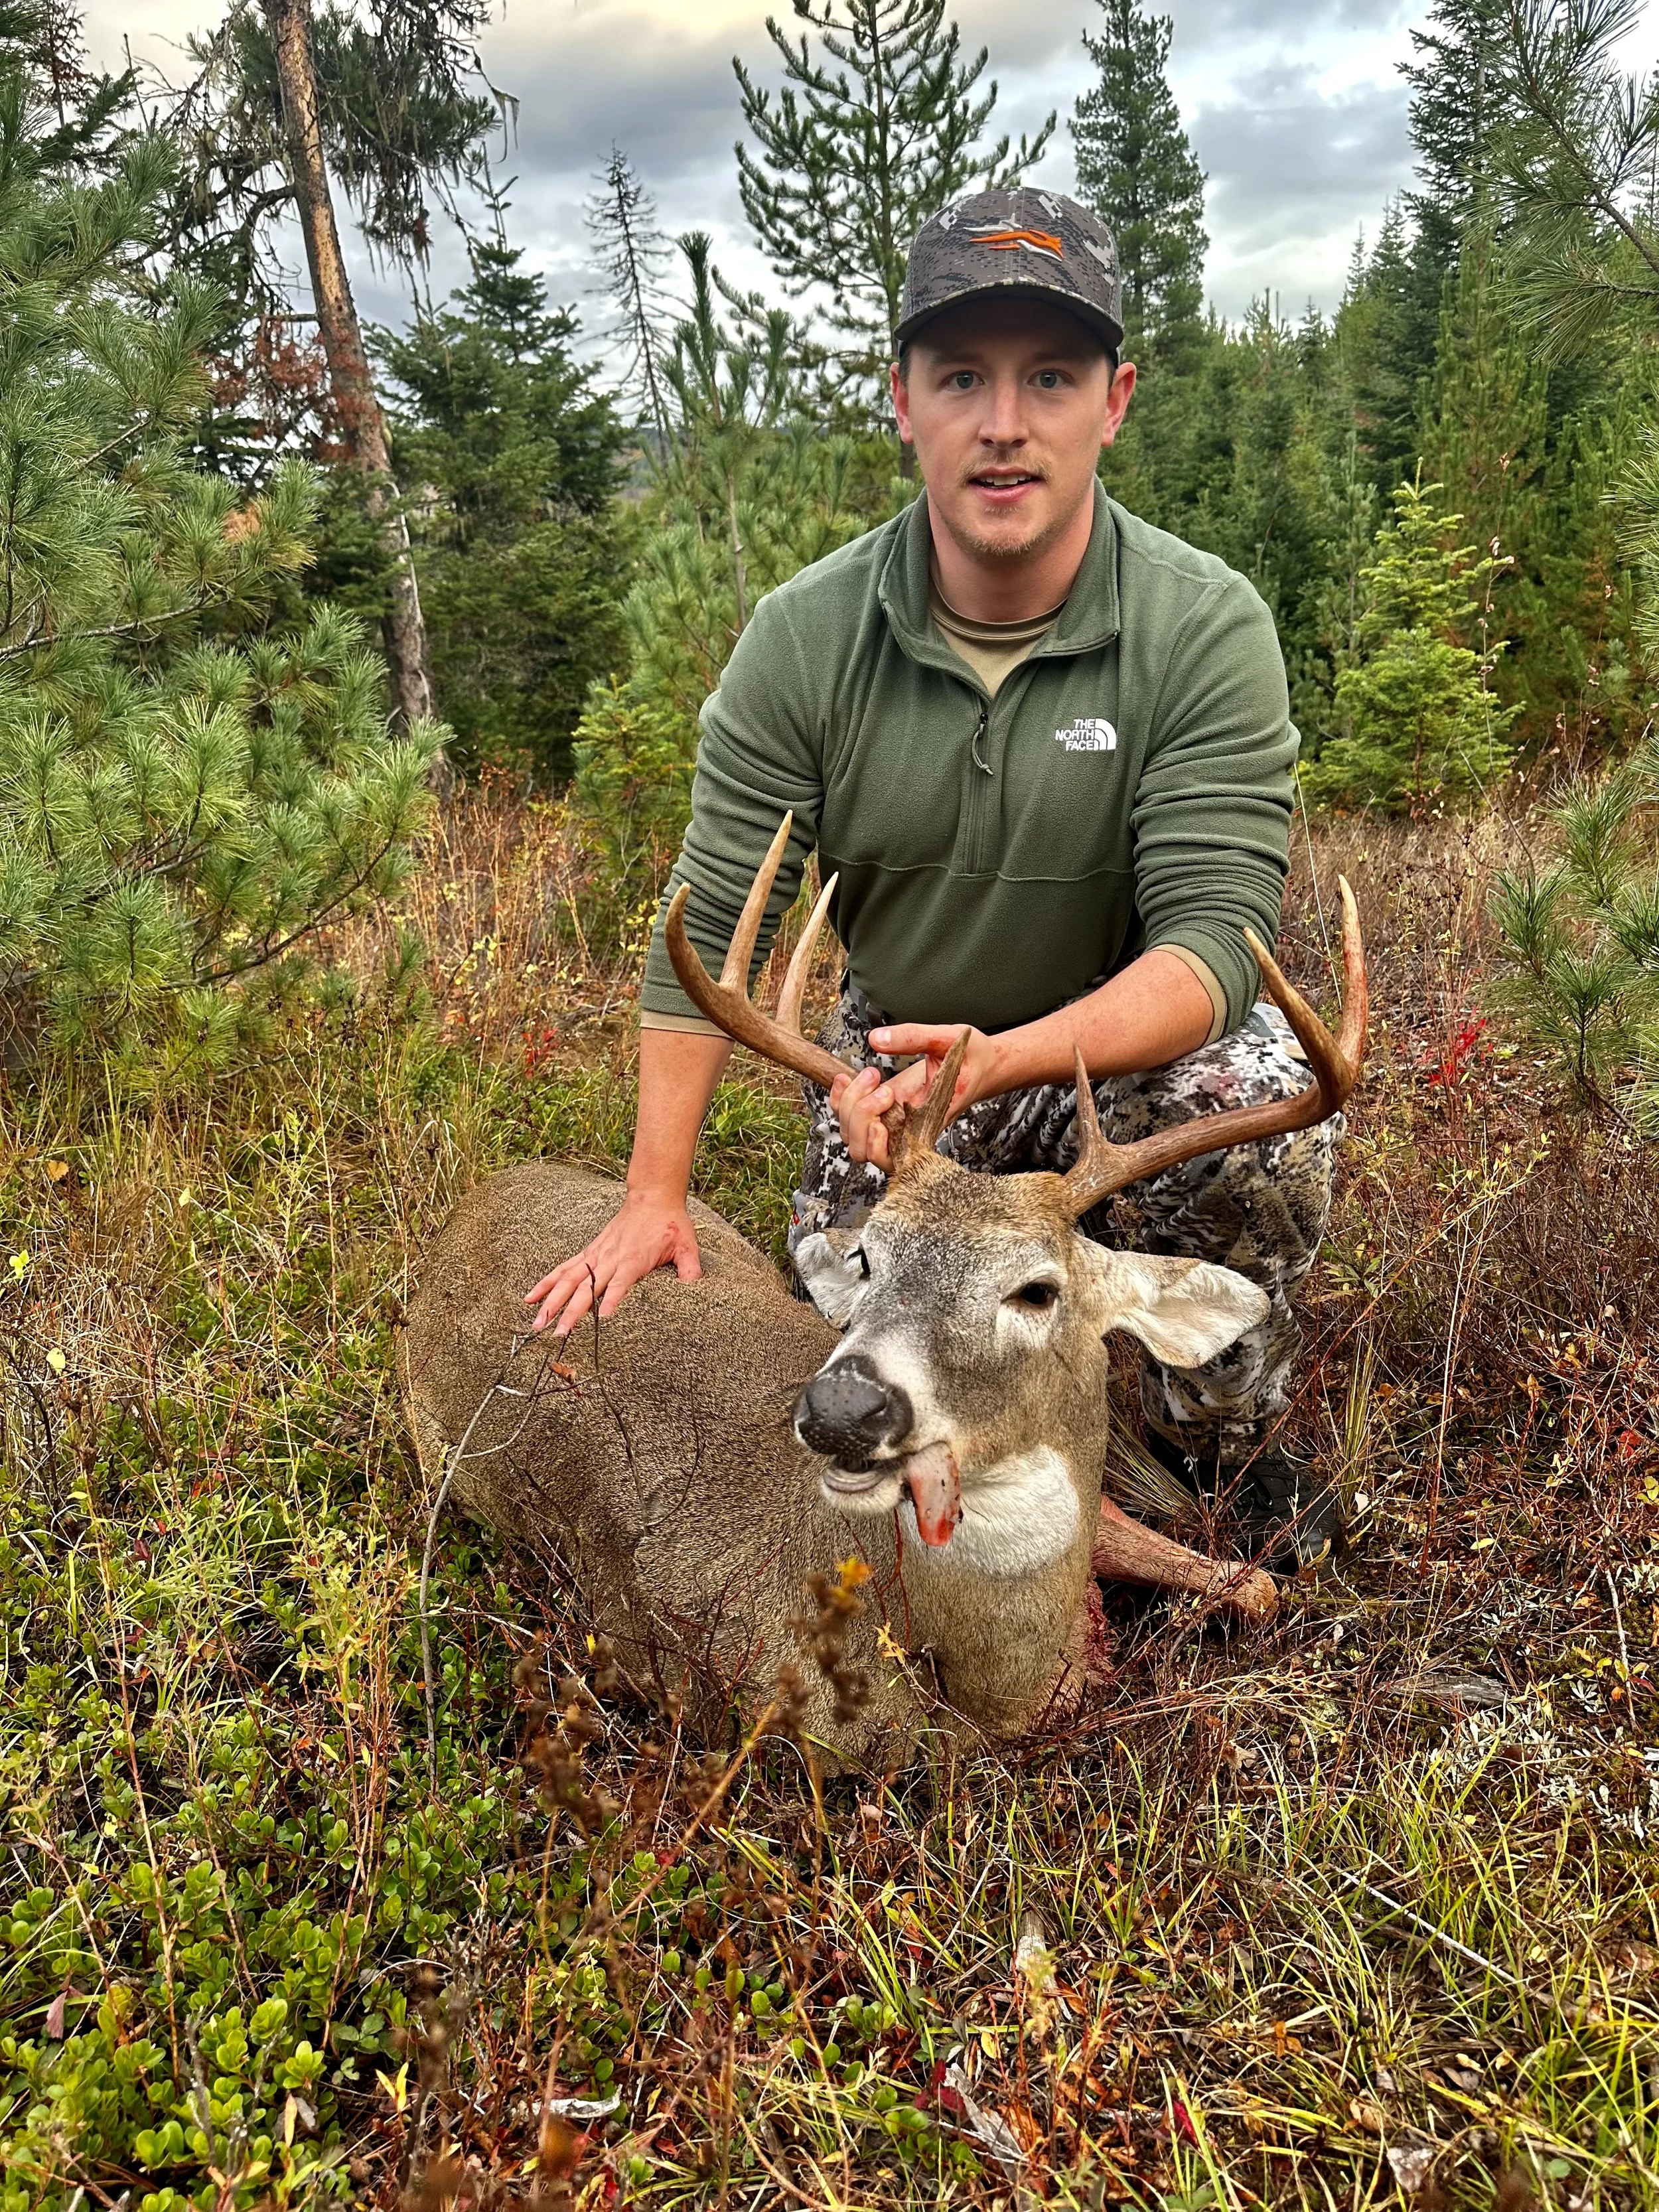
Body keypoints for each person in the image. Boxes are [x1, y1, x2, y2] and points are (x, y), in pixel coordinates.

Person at [526, 186, 1344, 1562]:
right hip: (897, 1061)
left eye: (1049, 377)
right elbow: (709, 920)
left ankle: (1222, 1445)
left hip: (1111, 1040)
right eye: (960, 376)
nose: (1003, 422)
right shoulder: (803, 637)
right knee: (866, 1303)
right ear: (901, 399)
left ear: (1114, 399)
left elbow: (1209, 948)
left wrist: (1006, 1058)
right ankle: (1032, 1450)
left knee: (1256, 1108)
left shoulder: (1200, 626)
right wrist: (653, 1194)